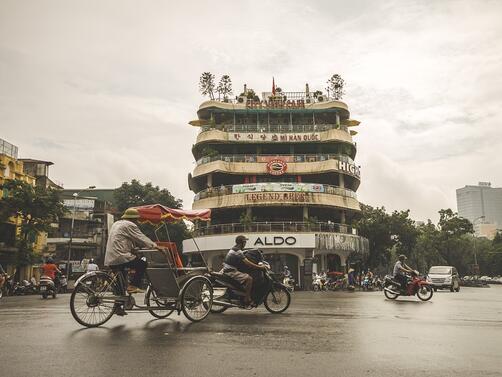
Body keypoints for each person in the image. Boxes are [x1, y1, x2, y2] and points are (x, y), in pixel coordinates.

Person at [104, 208, 161, 294]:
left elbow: (123, 240)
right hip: (120, 256)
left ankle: (118, 305)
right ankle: (133, 286)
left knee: (120, 286)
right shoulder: (130, 225)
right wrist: (155, 246)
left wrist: (133, 249)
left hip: (110, 257)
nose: (137, 221)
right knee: (142, 264)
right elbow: (140, 237)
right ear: (133, 218)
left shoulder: (116, 224)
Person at [221, 235, 266, 306]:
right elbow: (248, 263)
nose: (245, 244)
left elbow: (243, 253)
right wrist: (259, 267)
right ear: (241, 243)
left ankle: (243, 293)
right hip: (230, 271)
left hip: (227, 269)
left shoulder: (234, 249)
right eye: (245, 242)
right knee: (249, 279)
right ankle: (247, 298)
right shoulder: (237, 251)